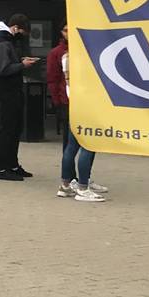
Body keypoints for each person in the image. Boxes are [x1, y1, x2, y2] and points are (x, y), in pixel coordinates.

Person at [0, 14, 40, 181]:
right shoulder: (1, 41)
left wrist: (20, 61)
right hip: (6, 91)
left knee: (15, 128)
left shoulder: (5, 40)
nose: (22, 37)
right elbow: (2, 69)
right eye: (22, 33)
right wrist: (22, 65)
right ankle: (3, 168)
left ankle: (12, 165)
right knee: (7, 129)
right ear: (15, 28)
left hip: (12, 90)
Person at [56, 44, 108, 202]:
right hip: (88, 105)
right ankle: (83, 187)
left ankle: (65, 185)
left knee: (71, 147)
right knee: (88, 145)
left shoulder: (67, 57)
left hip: (74, 104)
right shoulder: (86, 59)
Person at [46, 24, 70, 142]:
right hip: (65, 99)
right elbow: (53, 79)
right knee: (68, 137)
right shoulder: (56, 53)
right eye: (66, 30)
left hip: (85, 98)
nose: (68, 33)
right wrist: (57, 101)